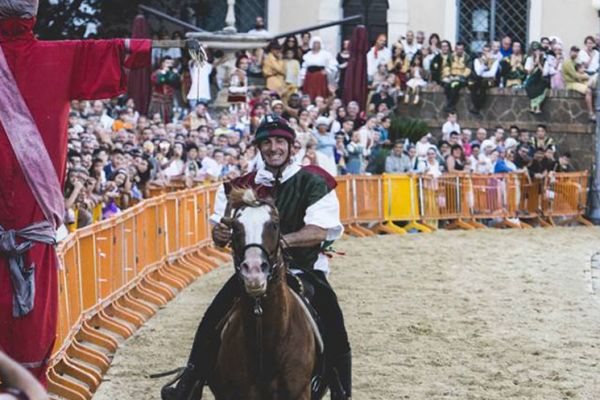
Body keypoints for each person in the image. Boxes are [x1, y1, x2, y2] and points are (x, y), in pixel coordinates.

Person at [0, 0, 151, 384]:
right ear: (32, 17)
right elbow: (129, 54)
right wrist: (153, 43)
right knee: (30, 338)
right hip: (32, 237)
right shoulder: (64, 58)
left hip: (28, 233)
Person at [161, 115, 351, 400]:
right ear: (259, 147)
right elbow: (220, 230)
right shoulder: (239, 185)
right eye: (267, 142)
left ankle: (340, 387)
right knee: (214, 314)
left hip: (304, 269)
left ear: (291, 146)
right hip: (253, 270)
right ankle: (192, 378)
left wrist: (280, 243)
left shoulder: (313, 180)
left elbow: (318, 230)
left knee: (331, 315)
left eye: (279, 141)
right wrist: (220, 235)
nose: (273, 147)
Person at [563, 46, 596, 122]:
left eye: (577, 52)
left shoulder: (575, 61)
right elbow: (575, 76)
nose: (576, 54)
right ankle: (591, 113)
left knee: (594, 86)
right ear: (570, 52)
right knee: (588, 91)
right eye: (574, 52)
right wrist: (586, 77)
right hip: (571, 83)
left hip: (579, 81)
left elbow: (582, 69)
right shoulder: (567, 62)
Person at [469, 44, 499, 114]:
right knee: (473, 86)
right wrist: (484, 64)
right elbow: (478, 72)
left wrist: (482, 74)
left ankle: (478, 107)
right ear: (482, 52)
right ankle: (476, 106)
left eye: (488, 51)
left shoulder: (495, 61)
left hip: (491, 81)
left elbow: (492, 73)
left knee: (483, 86)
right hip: (479, 80)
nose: (486, 53)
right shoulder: (477, 60)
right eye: (485, 51)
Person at [149, 57, 180, 122]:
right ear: (162, 64)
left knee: (169, 119)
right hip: (158, 101)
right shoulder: (157, 73)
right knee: (157, 119)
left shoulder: (173, 74)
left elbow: (176, 85)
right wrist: (163, 74)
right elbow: (158, 82)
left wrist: (175, 75)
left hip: (168, 102)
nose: (169, 65)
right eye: (167, 63)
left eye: (171, 63)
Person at [523, 42, 550, 114]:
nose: (537, 52)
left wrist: (539, 64)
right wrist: (534, 64)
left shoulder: (545, 60)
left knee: (541, 87)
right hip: (532, 78)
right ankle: (533, 106)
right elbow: (528, 72)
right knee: (530, 85)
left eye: (538, 50)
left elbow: (545, 73)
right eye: (535, 51)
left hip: (541, 79)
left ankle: (537, 106)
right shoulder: (529, 59)